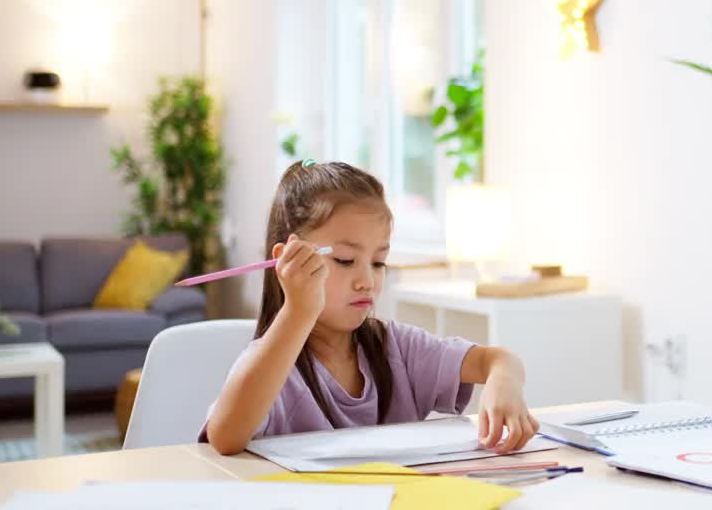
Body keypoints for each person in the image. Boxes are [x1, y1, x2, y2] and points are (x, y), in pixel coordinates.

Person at [203, 160, 538, 455]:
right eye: (345, 260)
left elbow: (498, 359)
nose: (367, 281)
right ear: (286, 263)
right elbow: (225, 437)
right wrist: (299, 311)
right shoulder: (273, 362)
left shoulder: (399, 349)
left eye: (378, 262)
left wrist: (503, 381)